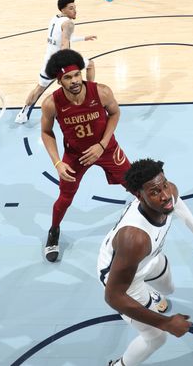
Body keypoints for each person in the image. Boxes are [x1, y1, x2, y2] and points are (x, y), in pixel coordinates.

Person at [99, 158, 193, 366]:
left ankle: (150, 295)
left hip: (148, 260)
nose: (165, 196)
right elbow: (113, 296)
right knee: (156, 338)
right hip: (125, 282)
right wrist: (167, 322)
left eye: (164, 185)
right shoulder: (135, 239)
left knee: (168, 288)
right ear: (139, 195)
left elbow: (176, 202)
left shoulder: (168, 191)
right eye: (155, 192)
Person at [40, 49, 130, 262]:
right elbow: (46, 132)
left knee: (135, 184)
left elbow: (115, 113)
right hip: (75, 156)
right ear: (59, 81)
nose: (74, 81)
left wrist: (102, 144)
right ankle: (54, 232)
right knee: (64, 198)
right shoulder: (51, 104)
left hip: (106, 149)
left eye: (76, 75)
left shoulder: (102, 92)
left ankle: (147, 221)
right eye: (67, 78)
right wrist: (57, 162)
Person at [15, 0, 97, 124]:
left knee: (39, 89)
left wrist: (84, 38)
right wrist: (68, 64)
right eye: (71, 8)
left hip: (49, 62)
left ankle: (22, 113)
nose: (75, 11)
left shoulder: (55, 18)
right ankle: (89, 96)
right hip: (62, 61)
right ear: (63, 10)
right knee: (90, 65)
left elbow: (61, 38)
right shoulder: (69, 23)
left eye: (75, 8)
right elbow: (65, 44)